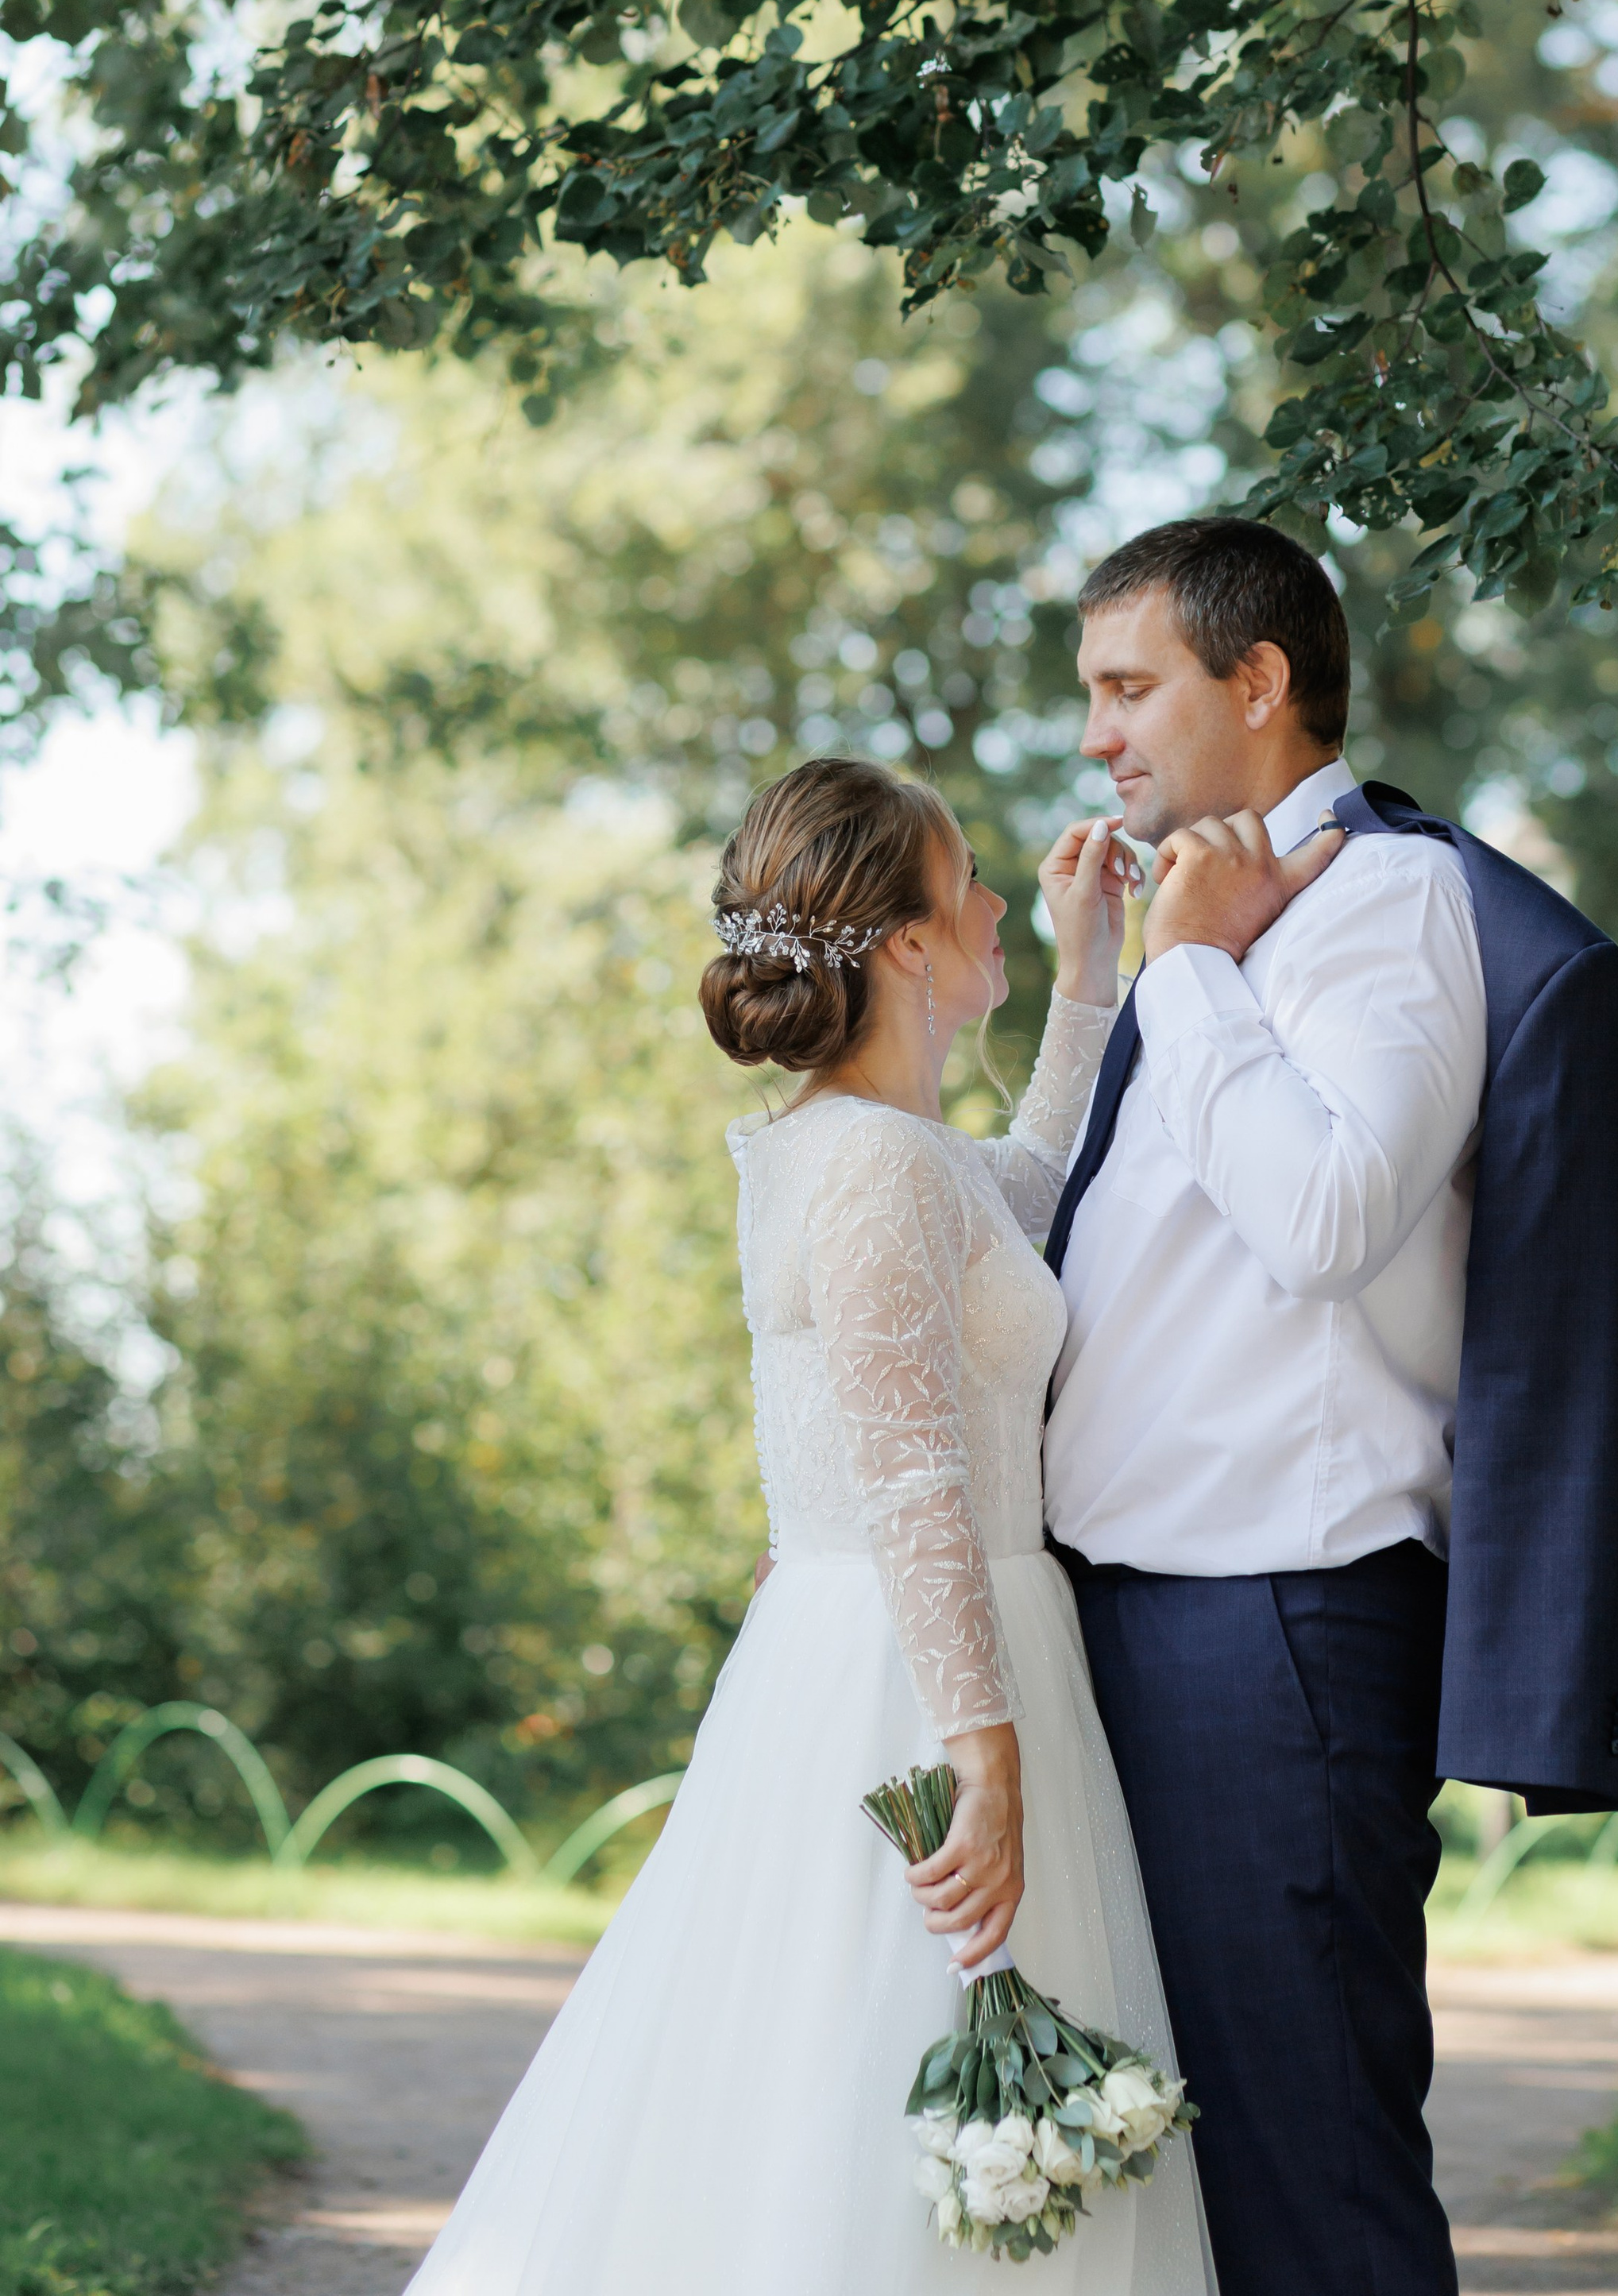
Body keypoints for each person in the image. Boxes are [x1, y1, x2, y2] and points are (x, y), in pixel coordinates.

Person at [404, 754, 1285, 2294]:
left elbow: (1025, 1190)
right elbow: (908, 1479)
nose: (1003, 898)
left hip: (931, 1645)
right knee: (880, 2066)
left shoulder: (890, 1157)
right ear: (905, 947)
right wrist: (984, 1752)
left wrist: (1084, 979)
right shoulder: (872, 1168)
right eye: (972, 887)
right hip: (923, 1674)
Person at [1042, 516, 1618, 2296]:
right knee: (1185, 2177)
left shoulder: (1383, 901)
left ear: (1259, 681)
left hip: (1271, 1627)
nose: (1094, 736)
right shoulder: (1192, 923)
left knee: (1315, 2184)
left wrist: (1193, 971)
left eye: (1127, 688)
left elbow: (1324, 1222)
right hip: (1129, 1613)